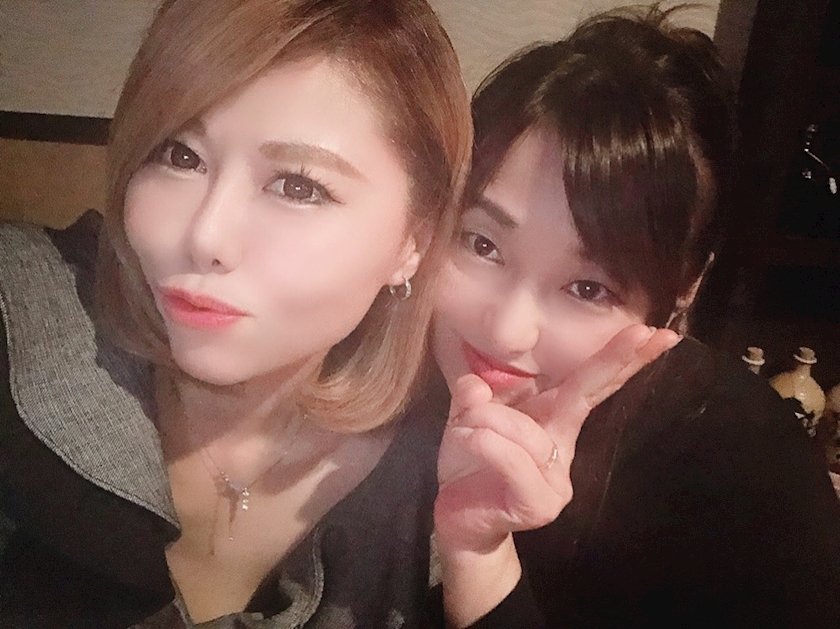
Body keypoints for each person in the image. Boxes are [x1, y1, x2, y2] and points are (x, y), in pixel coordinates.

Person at [0, 0, 472, 627]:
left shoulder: (444, 486)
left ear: (414, 241)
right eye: (180, 155)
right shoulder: (26, 327)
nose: (206, 237)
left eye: (299, 186)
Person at [430, 6, 840, 627]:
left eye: (587, 288)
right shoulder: (369, 361)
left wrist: (480, 557)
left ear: (684, 291)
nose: (505, 332)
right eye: (482, 244)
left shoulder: (748, 481)